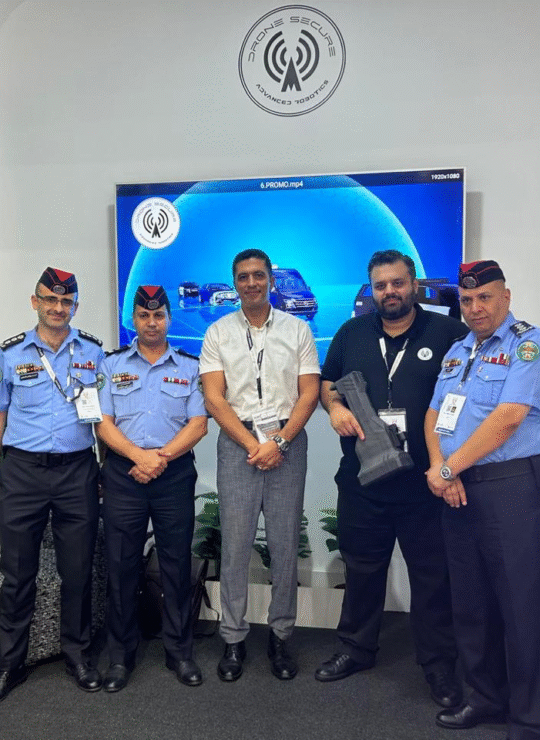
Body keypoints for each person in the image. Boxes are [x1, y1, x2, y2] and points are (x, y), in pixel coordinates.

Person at [315, 250, 465, 708]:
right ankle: (356, 650)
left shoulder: (448, 333)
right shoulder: (351, 333)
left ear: (414, 285)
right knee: (361, 571)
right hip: (363, 481)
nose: (389, 292)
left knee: (432, 578)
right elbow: (328, 382)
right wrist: (334, 407)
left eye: (397, 283)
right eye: (381, 286)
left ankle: (438, 665)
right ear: (372, 290)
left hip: (426, 484)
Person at [425, 260, 540, 739]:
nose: (475, 308)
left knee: (520, 605)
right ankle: (486, 698)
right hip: (457, 488)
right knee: (470, 601)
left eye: (485, 297)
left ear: (505, 297)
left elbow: (508, 417)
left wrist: (448, 468)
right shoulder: (458, 350)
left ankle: (529, 717)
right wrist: (441, 467)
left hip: (508, 486)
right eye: (468, 300)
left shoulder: (527, 346)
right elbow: (435, 414)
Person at [199, 248, 320, 681]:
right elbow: (214, 398)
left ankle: (281, 635)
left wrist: (279, 442)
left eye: (258, 275)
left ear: (270, 279)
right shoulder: (217, 332)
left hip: (288, 441)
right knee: (235, 545)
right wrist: (255, 444)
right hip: (239, 444)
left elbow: (309, 392)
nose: (251, 283)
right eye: (243, 276)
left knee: (285, 545)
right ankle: (233, 638)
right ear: (235, 283)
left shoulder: (297, 329)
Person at [96, 285, 207, 692]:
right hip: (123, 474)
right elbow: (102, 422)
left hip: (173, 474)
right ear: (134, 319)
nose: (151, 322)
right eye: (144, 315)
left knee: (176, 564)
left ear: (169, 319)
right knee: (121, 565)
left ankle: (179, 652)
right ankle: (120, 657)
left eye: (158, 315)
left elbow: (199, 424)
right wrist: (138, 457)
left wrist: (158, 458)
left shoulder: (190, 366)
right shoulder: (110, 365)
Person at [0, 267, 103, 702]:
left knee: (77, 570)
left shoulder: (94, 352)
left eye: (66, 301)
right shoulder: (9, 354)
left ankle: (77, 654)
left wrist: (104, 470)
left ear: (74, 306)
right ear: (35, 302)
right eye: (50, 299)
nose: (58, 308)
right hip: (22, 471)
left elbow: (104, 418)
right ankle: (10, 662)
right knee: (16, 573)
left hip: (77, 470)